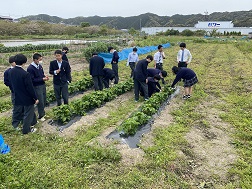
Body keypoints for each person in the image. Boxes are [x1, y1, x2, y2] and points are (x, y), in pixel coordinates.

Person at [9, 54, 39, 134]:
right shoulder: (25, 74)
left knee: (19, 111)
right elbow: (30, 88)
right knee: (28, 114)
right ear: (24, 62)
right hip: (26, 97)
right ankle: (26, 130)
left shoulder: (11, 71)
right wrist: (35, 98)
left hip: (17, 95)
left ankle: (20, 125)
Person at [27, 53, 49, 121]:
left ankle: (43, 113)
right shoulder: (30, 68)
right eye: (39, 60)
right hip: (37, 87)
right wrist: (42, 79)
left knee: (44, 99)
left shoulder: (39, 66)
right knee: (40, 101)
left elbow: (41, 74)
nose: (40, 61)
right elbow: (32, 80)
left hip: (42, 85)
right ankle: (40, 115)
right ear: (35, 60)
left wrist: (45, 77)